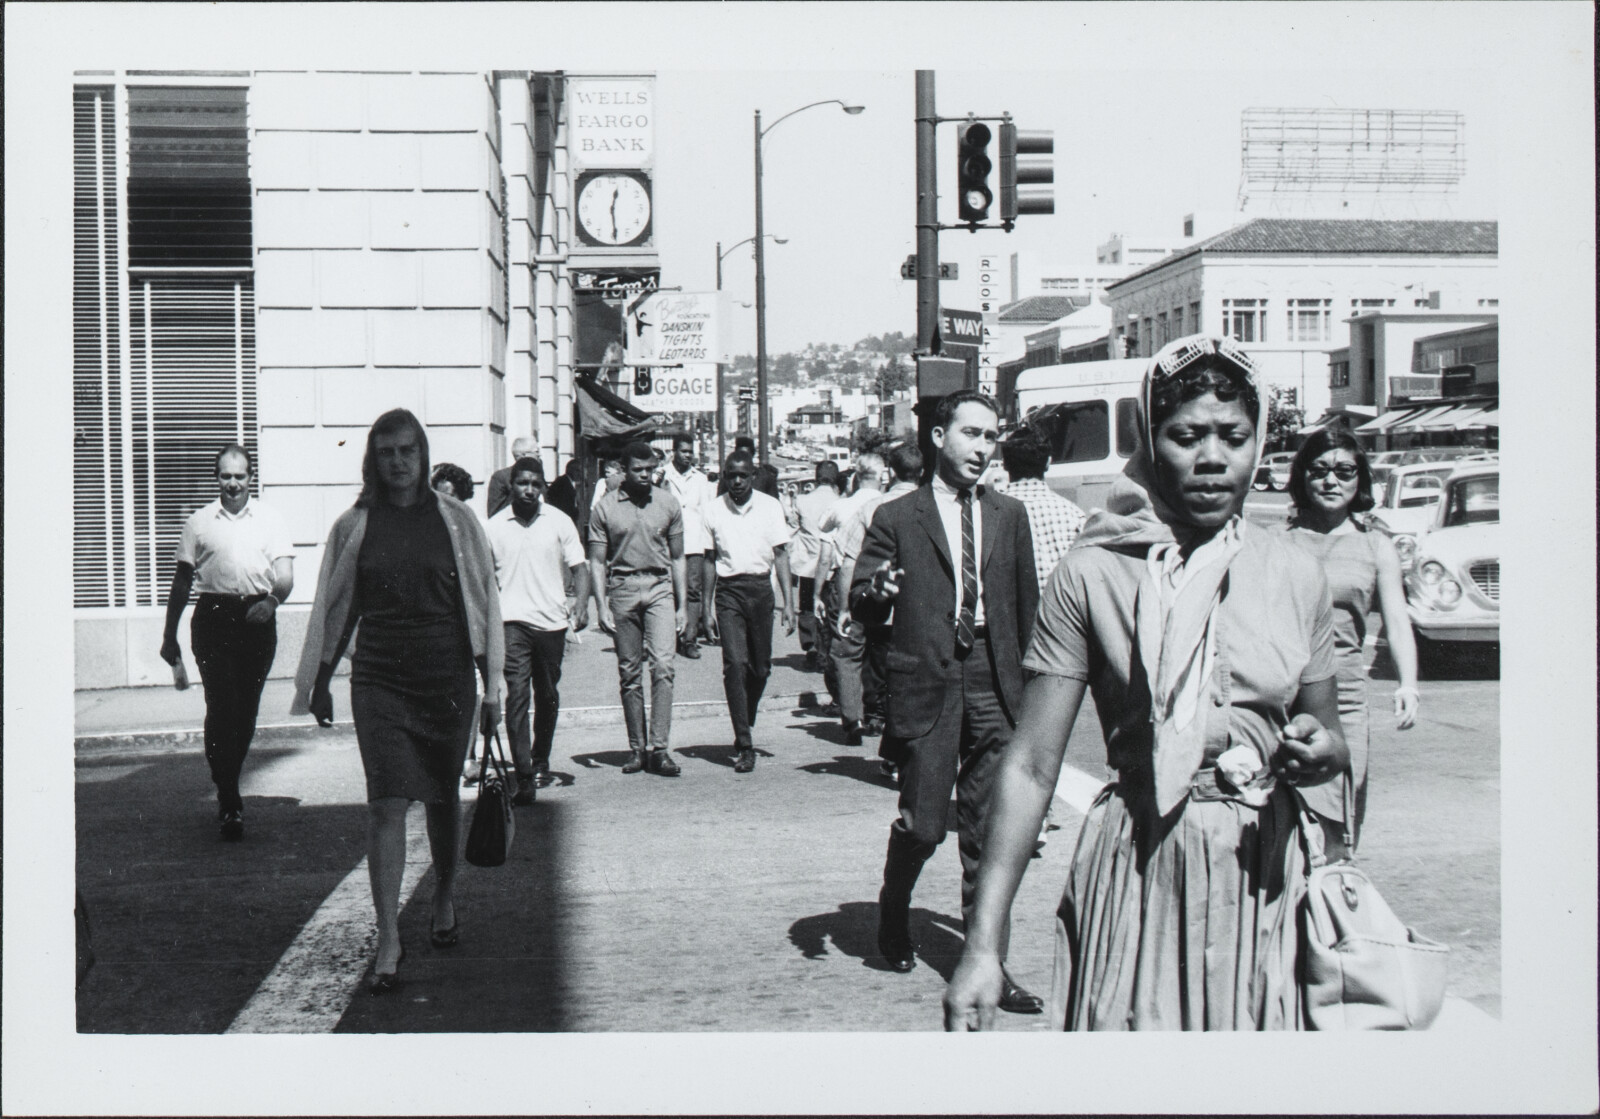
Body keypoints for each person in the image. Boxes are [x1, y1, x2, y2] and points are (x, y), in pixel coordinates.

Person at [942, 335, 1347, 1032]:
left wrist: (1322, 747)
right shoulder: (1094, 572)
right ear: (1149, 436)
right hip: (1140, 869)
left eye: (1234, 435)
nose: (1212, 457)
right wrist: (983, 943)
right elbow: (1034, 764)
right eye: (1186, 435)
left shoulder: (1296, 573)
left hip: (1265, 882)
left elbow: (1330, 734)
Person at [292, 408, 504, 995]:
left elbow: (484, 606)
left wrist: (496, 687)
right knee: (386, 802)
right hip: (380, 678)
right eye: (386, 453)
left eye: (407, 451)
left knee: (440, 798)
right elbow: (334, 606)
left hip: (447, 677)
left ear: (423, 454)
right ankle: (388, 933)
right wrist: (320, 679)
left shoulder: (457, 520)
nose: (398, 462)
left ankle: (443, 896)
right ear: (372, 459)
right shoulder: (354, 524)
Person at [849, 389, 1044, 1015]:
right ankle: (893, 904)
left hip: (994, 677)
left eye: (991, 436)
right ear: (939, 437)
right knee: (925, 824)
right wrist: (878, 590)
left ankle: (989, 961)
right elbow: (862, 602)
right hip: (928, 682)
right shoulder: (897, 516)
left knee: (988, 834)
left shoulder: (1010, 515)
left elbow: (1027, 608)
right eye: (971, 434)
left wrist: (1032, 690)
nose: (983, 448)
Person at [1284, 429, 1418, 848]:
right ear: (1302, 476)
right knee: (1282, 830)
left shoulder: (1375, 546)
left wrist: (1408, 684)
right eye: (1319, 469)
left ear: (1360, 479)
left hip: (1345, 703)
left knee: (1339, 835)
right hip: (1282, 698)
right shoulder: (1274, 542)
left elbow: (1397, 622)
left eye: (1344, 471)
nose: (1331, 481)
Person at [159, 444, 295, 841]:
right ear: (216, 477)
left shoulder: (271, 520)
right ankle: (229, 796)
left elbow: (284, 577)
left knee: (247, 711)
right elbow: (182, 583)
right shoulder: (199, 523)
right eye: (225, 476)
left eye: (240, 476)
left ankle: (226, 780)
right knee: (222, 705)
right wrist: (170, 636)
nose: (233, 483)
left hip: (257, 618)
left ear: (251, 477)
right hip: (213, 618)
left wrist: (272, 602)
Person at [487, 457, 591, 800]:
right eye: (522, 483)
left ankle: (540, 756)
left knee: (547, 695)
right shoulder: (495, 526)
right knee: (518, 695)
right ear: (512, 485)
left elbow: (579, 566)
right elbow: (484, 580)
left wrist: (581, 603)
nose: (529, 490)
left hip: (551, 623)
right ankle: (525, 775)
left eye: (535, 483)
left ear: (543, 486)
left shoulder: (559, 522)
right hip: (512, 621)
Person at [588, 440, 687, 777]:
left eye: (650, 470)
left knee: (663, 666)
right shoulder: (605, 508)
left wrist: (683, 605)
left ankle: (660, 749)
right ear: (624, 470)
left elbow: (677, 557)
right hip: (623, 589)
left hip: (660, 587)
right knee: (630, 673)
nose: (645, 476)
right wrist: (600, 605)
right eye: (638, 470)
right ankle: (636, 749)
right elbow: (597, 561)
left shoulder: (669, 504)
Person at [703, 451, 797, 773]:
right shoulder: (714, 510)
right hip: (728, 592)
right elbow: (708, 561)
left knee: (761, 668)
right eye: (731, 475)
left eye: (743, 475)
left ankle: (745, 712)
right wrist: (705, 608)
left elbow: (781, 555)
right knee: (735, 664)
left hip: (760, 591)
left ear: (753, 475)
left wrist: (790, 604)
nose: (737, 481)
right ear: (725, 476)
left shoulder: (770, 507)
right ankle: (744, 742)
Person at [821, 450, 889, 743]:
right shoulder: (895, 503)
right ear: (883, 476)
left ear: (856, 476)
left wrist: (837, 600)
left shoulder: (843, 507)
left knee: (847, 651)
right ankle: (878, 713)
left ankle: (853, 718)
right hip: (888, 587)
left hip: (853, 586)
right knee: (881, 652)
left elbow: (837, 555)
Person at [999, 426, 1087, 594]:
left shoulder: (991, 511)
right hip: (1060, 614)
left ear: (1005, 465)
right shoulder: (1073, 515)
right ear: (1048, 463)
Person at [661, 436, 711, 660]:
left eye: (690, 451)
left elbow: (707, 512)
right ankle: (667, 639)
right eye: (683, 451)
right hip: (665, 543)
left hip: (693, 543)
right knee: (667, 589)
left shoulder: (700, 479)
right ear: (674, 452)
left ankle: (689, 640)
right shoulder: (662, 475)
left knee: (692, 590)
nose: (688, 455)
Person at [793, 461, 843, 670]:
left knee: (806, 606)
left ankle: (810, 645)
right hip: (831, 566)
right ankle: (826, 650)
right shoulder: (840, 501)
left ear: (816, 477)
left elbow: (793, 526)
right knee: (829, 607)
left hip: (807, 565)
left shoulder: (802, 500)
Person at [488, 436, 539, 519]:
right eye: (536, 452)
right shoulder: (501, 477)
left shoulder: (538, 475)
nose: (539, 455)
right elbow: (494, 513)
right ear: (523, 455)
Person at [545, 459, 584, 524]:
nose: (579, 474)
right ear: (569, 470)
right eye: (577, 471)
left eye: (580, 471)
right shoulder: (562, 482)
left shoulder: (569, 482)